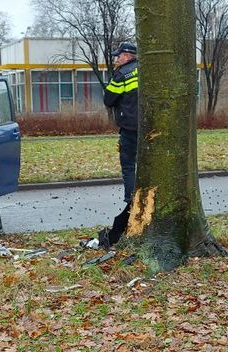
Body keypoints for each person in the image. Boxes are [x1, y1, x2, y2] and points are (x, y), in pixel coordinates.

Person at [94, 41, 139, 249]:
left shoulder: (121, 75)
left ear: (127, 55)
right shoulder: (146, 71)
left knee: (129, 166)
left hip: (130, 128)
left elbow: (108, 99)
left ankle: (130, 200)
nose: (116, 59)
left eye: (118, 56)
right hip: (148, 128)